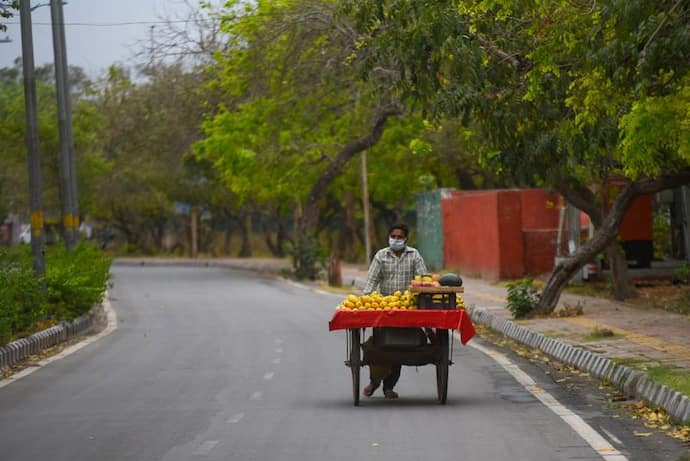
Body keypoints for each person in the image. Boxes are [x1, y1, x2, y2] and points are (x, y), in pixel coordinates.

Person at [361, 223, 428, 399]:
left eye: (400, 237)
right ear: (389, 237)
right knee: (381, 346)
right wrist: (367, 301)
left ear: (406, 239)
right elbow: (371, 282)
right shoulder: (381, 256)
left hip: (408, 307)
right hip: (385, 308)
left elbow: (423, 280)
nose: (396, 239)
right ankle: (374, 382)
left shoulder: (414, 255)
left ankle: (388, 387)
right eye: (393, 236)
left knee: (399, 348)